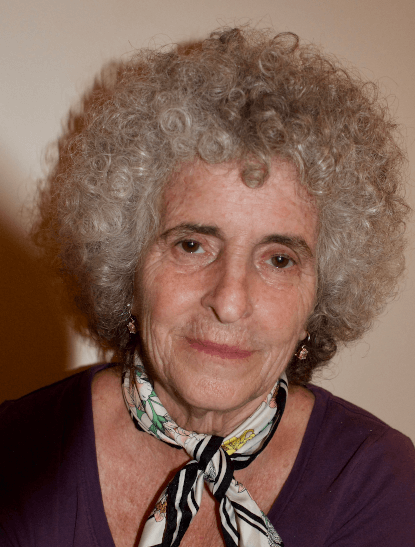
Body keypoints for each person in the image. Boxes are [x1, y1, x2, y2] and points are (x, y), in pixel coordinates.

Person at [0, 26, 414, 547]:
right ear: (128, 266)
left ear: (317, 300)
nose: (230, 301)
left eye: (279, 259)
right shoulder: (15, 456)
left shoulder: (378, 484)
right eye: (192, 245)